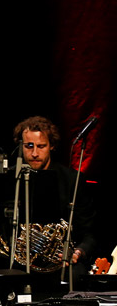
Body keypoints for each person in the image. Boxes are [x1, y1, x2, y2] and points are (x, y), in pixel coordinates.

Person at [11, 115, 95, 270]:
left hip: (59, 265)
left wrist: (78, 252)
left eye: (41, 146)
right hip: (18, 262)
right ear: (20, 146)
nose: (35, 153)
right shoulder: (11, 179)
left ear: (51, 146)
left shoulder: (72, 180)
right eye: (29, 146)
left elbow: (89, 232)